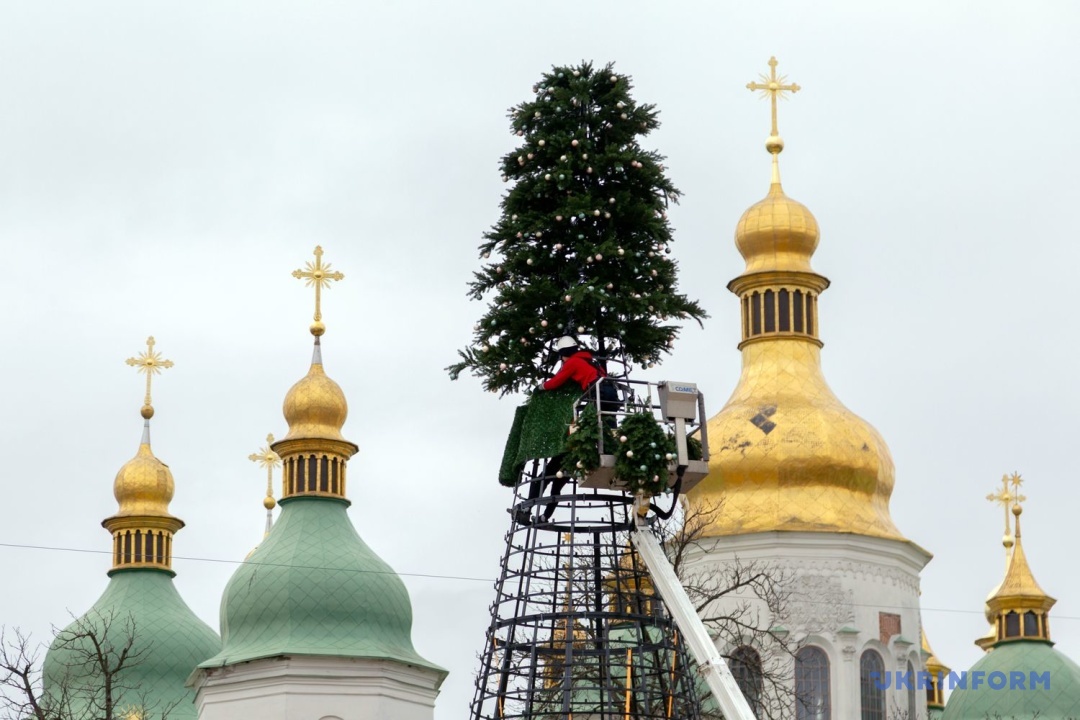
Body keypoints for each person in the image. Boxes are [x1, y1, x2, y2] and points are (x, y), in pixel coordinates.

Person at [515, 337, 620, 526]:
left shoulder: (572, 363)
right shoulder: (591, 361)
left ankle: (529, 509)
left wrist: (541, 387)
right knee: (608, 426)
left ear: (563, 354)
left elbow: (557, 381)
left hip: (598, 393)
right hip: (610, 393)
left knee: (549, 477)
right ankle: (543, 516)